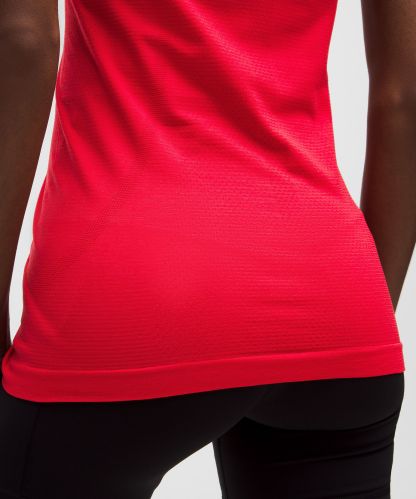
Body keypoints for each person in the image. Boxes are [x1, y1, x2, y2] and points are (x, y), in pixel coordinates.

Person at [0, 1, 414, 498]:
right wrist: (356, 316)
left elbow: (22, 39)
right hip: (330, 286)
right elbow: (405, 94)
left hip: (126, 292)